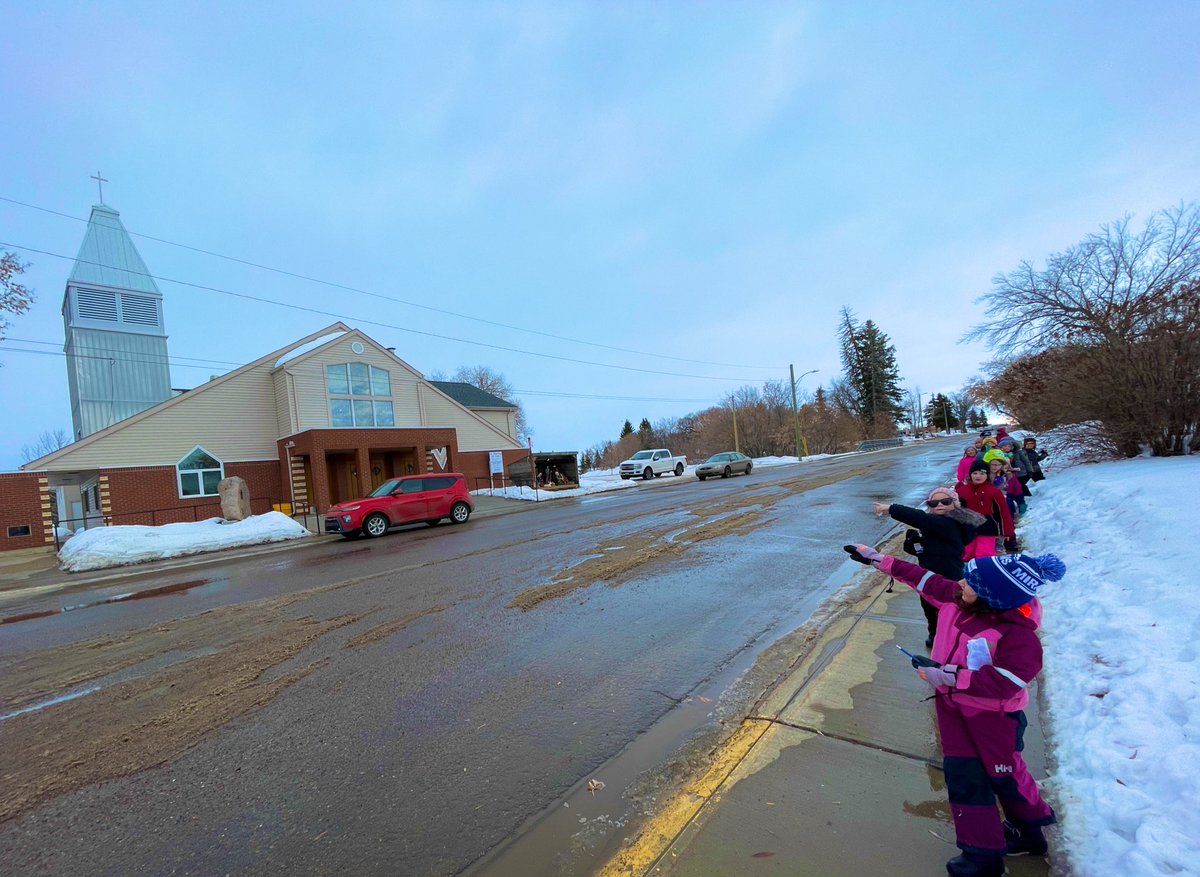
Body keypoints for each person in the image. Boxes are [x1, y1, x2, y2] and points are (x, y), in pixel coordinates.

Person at [847, 544, 1064, 876]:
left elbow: (1006, 681)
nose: (960, 584)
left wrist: (947, 675)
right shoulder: (958, 598)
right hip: (954, 710)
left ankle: (1030, 832)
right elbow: (925, 579)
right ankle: (983, 855)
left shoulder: (1018, 636)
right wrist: (879, 560)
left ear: (991, 595)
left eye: (969, 582)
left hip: (994, 719)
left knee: (1005, 775)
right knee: (965, 776)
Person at [873, 487, 985, 648]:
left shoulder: (950, 523)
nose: (940, 505)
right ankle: (934, 632)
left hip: (949, 576)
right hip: (927, 575)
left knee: (950, 608)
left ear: (955, 504)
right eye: (934, 502)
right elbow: (924, 551)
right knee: (929, 607)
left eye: (946, 501)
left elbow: (920, 518)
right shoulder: (935, 525)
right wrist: (913, 543)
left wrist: (890, 508)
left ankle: (950, 635)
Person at [956, 460, 1016, 559]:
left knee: (984, 554)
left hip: (988, 528)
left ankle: (984, 571)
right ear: (970, 475)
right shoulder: (962, 491)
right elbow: (956, 511)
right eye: (975, 473)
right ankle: (969, 573)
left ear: (987, 475)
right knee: (967, 554)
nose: (978, 476)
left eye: (982, 473)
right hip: (968, 529)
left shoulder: (993, 491)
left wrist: (1006, 531)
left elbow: (1003, 513)